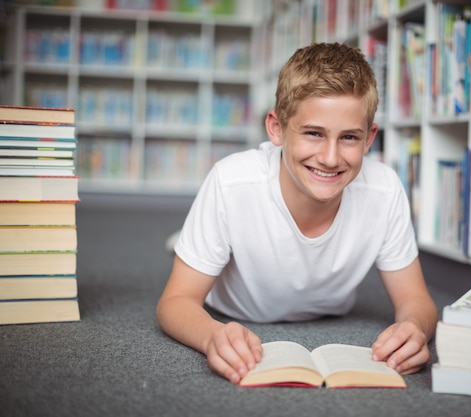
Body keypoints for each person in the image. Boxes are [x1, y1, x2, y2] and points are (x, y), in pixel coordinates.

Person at [156, 42, 438, 384]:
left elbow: (415, 298)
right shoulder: (231, 182)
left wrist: (414, 328)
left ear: (369, 139)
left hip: (330, 312)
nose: (331, 158)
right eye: (313, 133)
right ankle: (187, 242)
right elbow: (175, 301)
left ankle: (189, 240)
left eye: (349, 137)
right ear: (276, 128)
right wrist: (210, 334)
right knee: (193, 253)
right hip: (234, 307)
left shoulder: (385, 189)